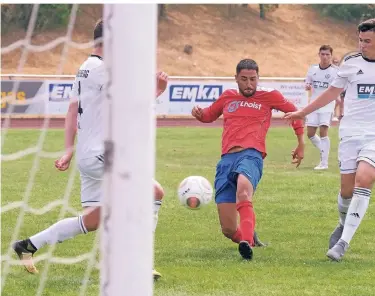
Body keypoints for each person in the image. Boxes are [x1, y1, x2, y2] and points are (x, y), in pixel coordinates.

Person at [12, 19, 169, 280]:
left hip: (89, 154)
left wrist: (68, 149)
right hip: (102, 153)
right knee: (154, 192)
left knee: (93, 220)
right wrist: (157, 90)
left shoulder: (84, 68)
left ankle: (27, 245)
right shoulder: (105, 70)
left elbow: (73, 109)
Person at [284, 18, 375, 261]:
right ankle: (343, 223)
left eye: (367, 41)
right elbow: (331, 93)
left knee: (364, 179)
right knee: (346, 191)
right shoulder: (350, 64)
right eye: (360, 40)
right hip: (351, 132)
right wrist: (303, 112)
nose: (362, 45)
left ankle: (342, 244)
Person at [191, 58, 305, 260]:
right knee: (227, 229)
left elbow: (294, 112)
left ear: (258, 78)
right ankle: (248, 236)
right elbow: (209, 115)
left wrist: (300, 142)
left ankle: (245, 242)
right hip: (226, 160)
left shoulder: (269, 96)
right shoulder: (227, 97)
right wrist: (199, 114)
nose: (249, 84)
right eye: (244, 79)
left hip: (251, 154)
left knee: (244, 189)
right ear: (236, 78)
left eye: (253, 79)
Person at [305, 45, 339, 170]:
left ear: (331, 56)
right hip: (314, 103)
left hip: (327, 104)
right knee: (310, 134)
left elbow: (336, 88)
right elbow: (307, 82)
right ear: (319, 54)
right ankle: (324, 151)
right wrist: (307, 85)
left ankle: (324, 163)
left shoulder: (335, 72)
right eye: (323, 54)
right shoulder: (312, 69)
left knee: (323, 131)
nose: (325, 57)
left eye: (327, 55)